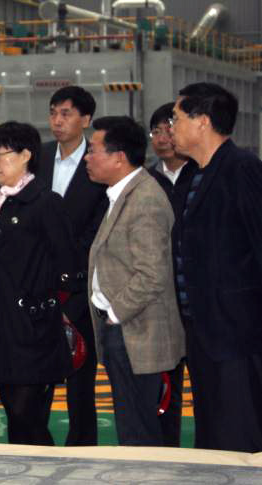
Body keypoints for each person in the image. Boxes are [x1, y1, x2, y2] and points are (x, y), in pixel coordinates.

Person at [170, 82, 262, 453]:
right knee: (212, 437)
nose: (171, 128)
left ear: (202, 121)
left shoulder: (242, 169)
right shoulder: (192, 175)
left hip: (238, 332)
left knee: (241, 435)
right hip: (201, 330)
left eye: (176, 118)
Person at [0, 121, 78, 446]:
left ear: (26, 155)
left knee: (27, 414)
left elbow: (68, 263)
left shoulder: (45, 202)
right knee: (14, 412)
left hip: (33, 325)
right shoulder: (1, 201)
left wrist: (41, 303)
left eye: (1, 154)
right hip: (0, 320)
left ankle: (44, 468)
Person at [85, 116, 185, 446]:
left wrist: (115, 314)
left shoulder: (145, 199)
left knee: (140, 432)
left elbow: (152, 273)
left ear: (119, 157)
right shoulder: (122, 195)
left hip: (136, 332)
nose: (87, 158)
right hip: (124, 330)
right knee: (132, 426)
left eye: (93, 150)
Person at [37, 85, 107, 446]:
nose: (57, 120)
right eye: (53, 112)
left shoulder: (98, 160)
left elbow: (100, 226)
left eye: (66, 113)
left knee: (80, 379)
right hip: (39, 285)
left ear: (86, 118)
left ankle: (83, 447)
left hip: (80, 286)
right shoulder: (38, 157)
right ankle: (37, 445)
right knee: (38, 376)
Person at [146, 102, 196, 447]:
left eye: (169, 129)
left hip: (199, 301)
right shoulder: (146, 181)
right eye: (156, 131)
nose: (163, 138)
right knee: (164, 389)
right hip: (161, 302)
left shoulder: (202, 175)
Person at [147, 102, 198, 217]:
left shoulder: (200, 173)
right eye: (156, 132)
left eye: (169, 131)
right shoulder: (148, 179)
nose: (161, 140)